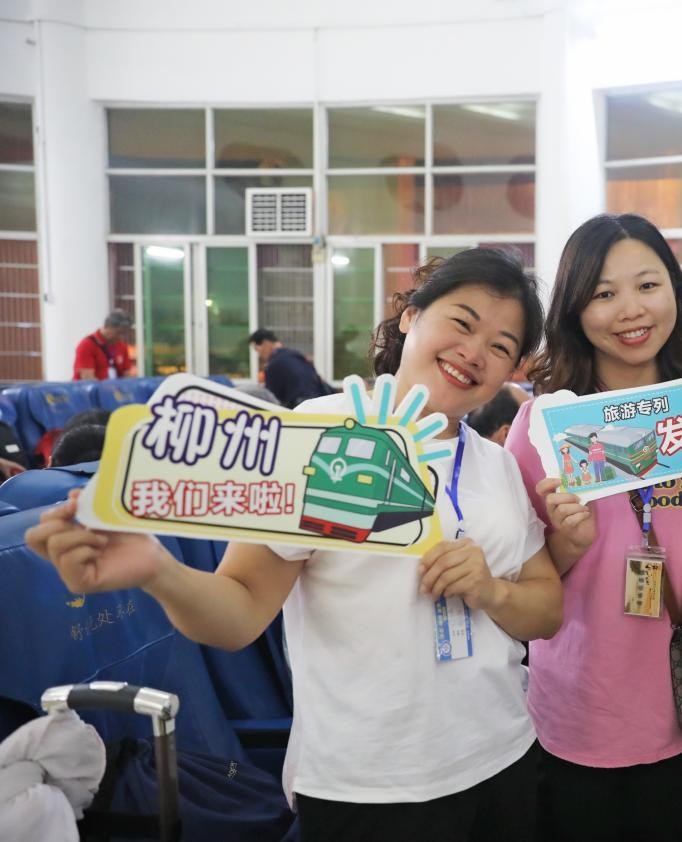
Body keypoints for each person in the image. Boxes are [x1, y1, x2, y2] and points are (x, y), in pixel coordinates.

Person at [29, 248, 564, 842]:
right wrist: (157, 569)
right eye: (462, 322)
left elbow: (546, 609)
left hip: (504, 755)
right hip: (368, 786)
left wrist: (491, 590)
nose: (474, 352)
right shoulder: (315, 435)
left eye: (500, 346)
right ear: (411, 316)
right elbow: (240, 610)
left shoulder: (497, 464)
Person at [504, 214, 682, 842]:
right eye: (604, 293)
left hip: (680, 700)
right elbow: (520, 584)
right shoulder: (544, 426)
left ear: (676, 294)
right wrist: (565, 543)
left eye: (648, 285)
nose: (631, 310)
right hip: (573, 708)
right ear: (575, 310)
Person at [248, 329, 333, 409]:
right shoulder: (296, 356)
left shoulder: (274, 364)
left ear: (265, 343)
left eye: (257, 350)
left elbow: (271, 399)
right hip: (319, 405)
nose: (259, 355)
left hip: (300, 409)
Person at [73, 310, 137, 381]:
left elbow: (126, 376)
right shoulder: (87, 345)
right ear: (107, 326)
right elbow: (87, 379)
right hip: (92, 387)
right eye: (119, 333)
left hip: (115, 387)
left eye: (124, 334)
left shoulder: (122, 347)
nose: (121, 337)